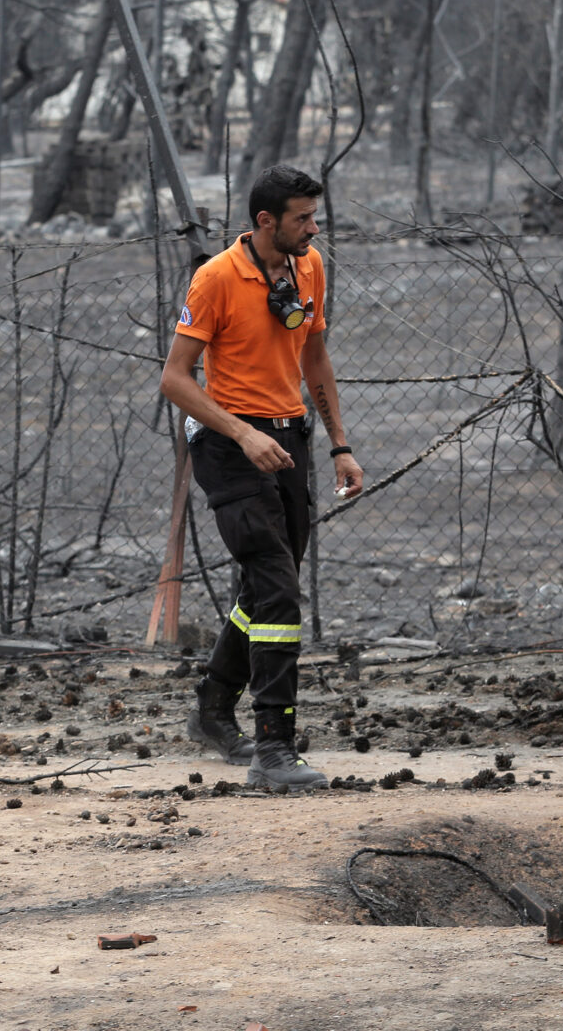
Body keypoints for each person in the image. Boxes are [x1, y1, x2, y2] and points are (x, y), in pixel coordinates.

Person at [161, 165, 365, 791]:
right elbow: (174, 379)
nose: (314, 227)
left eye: (314, 215)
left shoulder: (310, 266)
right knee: (277, 589)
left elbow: (316, 355)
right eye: (302, 217)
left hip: (291, 438)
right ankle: (273, 748)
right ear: (264, 221)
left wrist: (339, 445)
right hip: (230, 444)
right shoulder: (217, 277)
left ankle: (214, 711)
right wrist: (243, 434)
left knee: (267, 584)